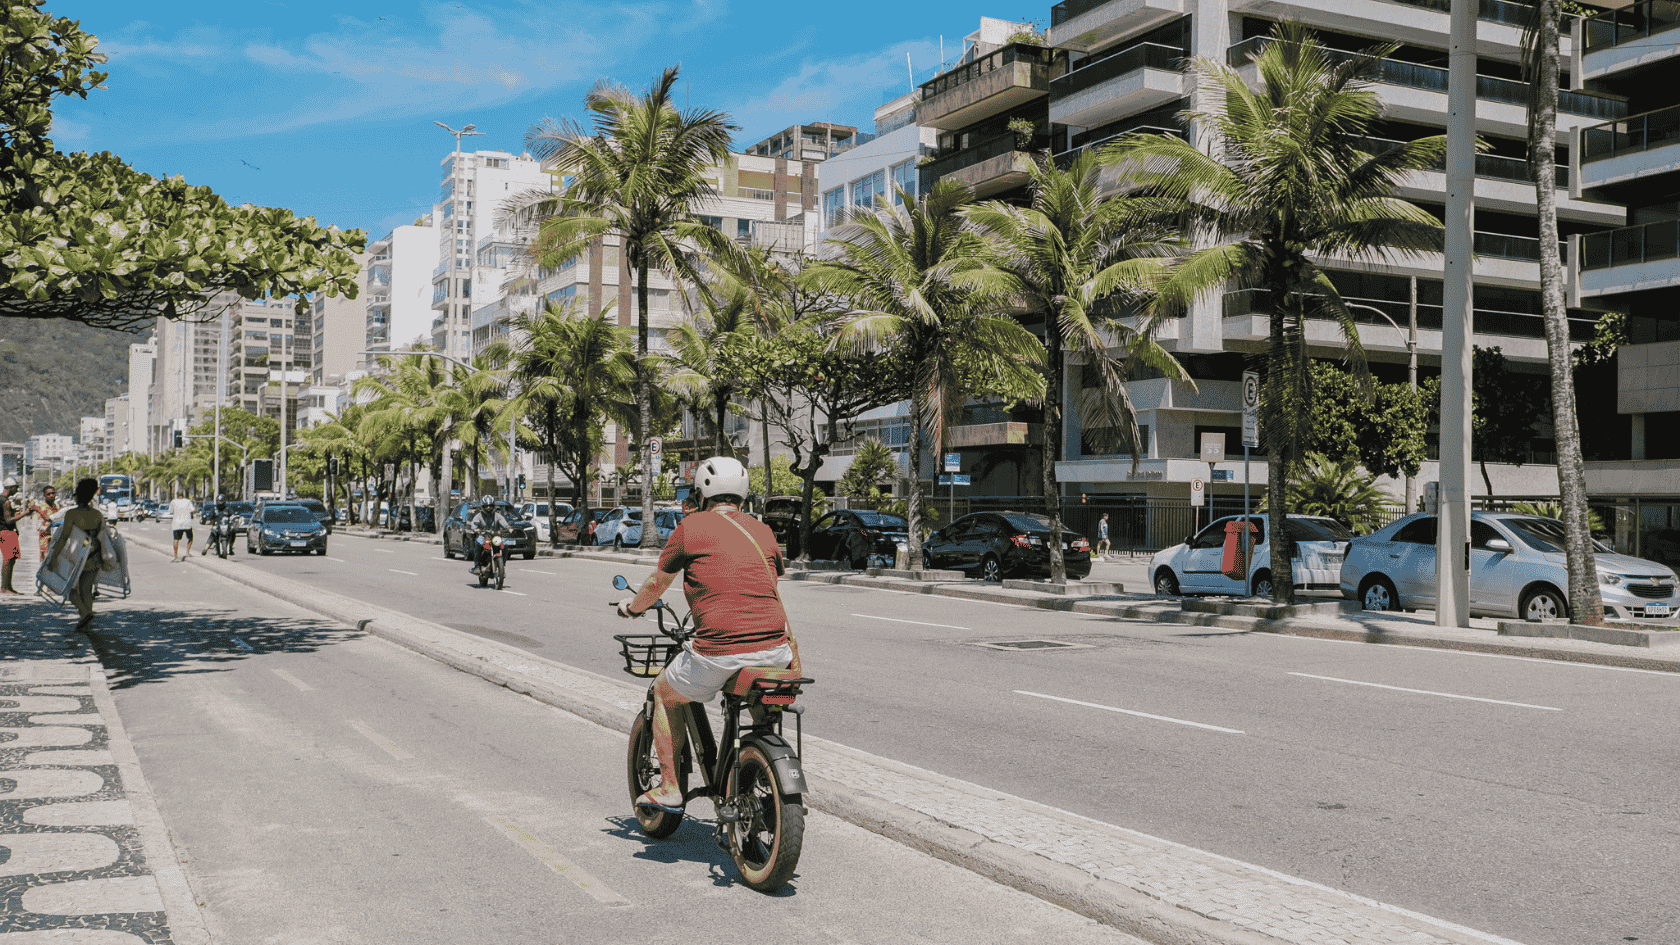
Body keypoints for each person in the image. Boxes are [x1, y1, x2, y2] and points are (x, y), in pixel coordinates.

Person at [616, 456, 800, 813]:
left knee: (664, 693)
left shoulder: (691, 527)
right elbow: (766, 579)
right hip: (777, 651)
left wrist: (634, 608)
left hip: (720, 651)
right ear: (742, 495)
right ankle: (758, 764)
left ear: (702, 494)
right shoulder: (763, 531)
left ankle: (670, 787)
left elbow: (657, 583)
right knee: (758, 700)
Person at [44, 478, 109, 631]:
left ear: (78, 496)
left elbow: (63, 537)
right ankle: (86, 624)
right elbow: (102, 537)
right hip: (94, 556)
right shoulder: (97, 514)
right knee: (87, 590)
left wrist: (53, 557)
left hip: (77, 557)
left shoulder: (72, 514)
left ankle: (85, 613)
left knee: (69, 590)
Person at [0, 477, 21, 594]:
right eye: (16, 487)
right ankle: (4, 587)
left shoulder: (4, 499)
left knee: (12, 559)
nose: (17, 489)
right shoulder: (5, 501)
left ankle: (8, 586)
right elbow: (8, 520)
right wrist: (24, 514)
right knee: (8, 559)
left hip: (8, 531)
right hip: (6, 531)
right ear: (10, 487)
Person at [32, 485, 61, 560]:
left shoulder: (58, 507)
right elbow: (38, 526)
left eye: (53, 493)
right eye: (48, 494)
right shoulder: (40, 508)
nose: (51, 495)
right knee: (45, 561)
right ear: (44, 496)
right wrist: (49, 528)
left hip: (56, 540)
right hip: (45, 540)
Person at [168, 491, 196, 561]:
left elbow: (170, 511)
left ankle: (176, 557)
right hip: (187, 523)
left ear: (177, 495)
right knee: (190, 538)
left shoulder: (173, 502)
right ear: (183, 495)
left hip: (177, 523)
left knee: (176, 540)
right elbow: (193, 510)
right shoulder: (188, 501)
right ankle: (187, 552)